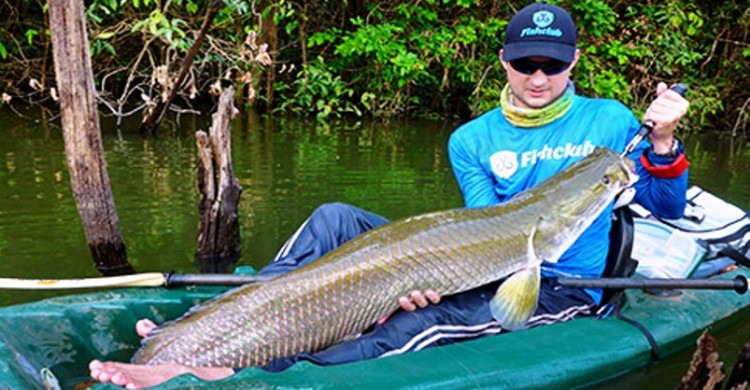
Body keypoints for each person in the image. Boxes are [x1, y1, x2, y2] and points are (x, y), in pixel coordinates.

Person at [89, 2, 689, 388]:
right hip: (480, 252)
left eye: (552, 65)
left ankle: (236, 369)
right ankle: (227, 319)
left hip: (556, 283)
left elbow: (664, 209)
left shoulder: (612, 123)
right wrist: (417, 271)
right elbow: (478, 224)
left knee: (413, 323)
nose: (539, 78)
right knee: (333, 218)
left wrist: (661, 144)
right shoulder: (471, 138)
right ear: (504, 61)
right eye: (526, 63)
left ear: (573, 61)